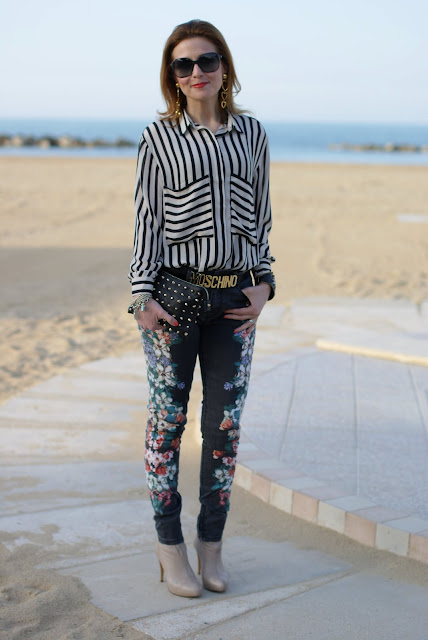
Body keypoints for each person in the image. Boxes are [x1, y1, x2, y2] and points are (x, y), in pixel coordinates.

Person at [128, 19, 275, 598]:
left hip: (236, 300)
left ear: (225, 67)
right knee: (167, 426)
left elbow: (261, 215)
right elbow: (146, 223)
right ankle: (170, 552)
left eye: (206, 61)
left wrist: (265, 282)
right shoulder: (157, 138)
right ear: (172, 75)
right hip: (173, 299)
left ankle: (211, 546)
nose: (196, 73)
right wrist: (142, 296)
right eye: (183, 65)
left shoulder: (253, 133)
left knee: (224, 429)